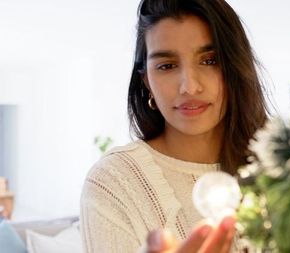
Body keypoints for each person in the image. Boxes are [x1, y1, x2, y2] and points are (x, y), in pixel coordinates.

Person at [80, 0, 269, 252]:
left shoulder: (283, 168)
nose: (189, 86)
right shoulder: (114, 182)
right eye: (167, 66)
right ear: (147, 81)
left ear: (236, 65)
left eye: (210, 60)